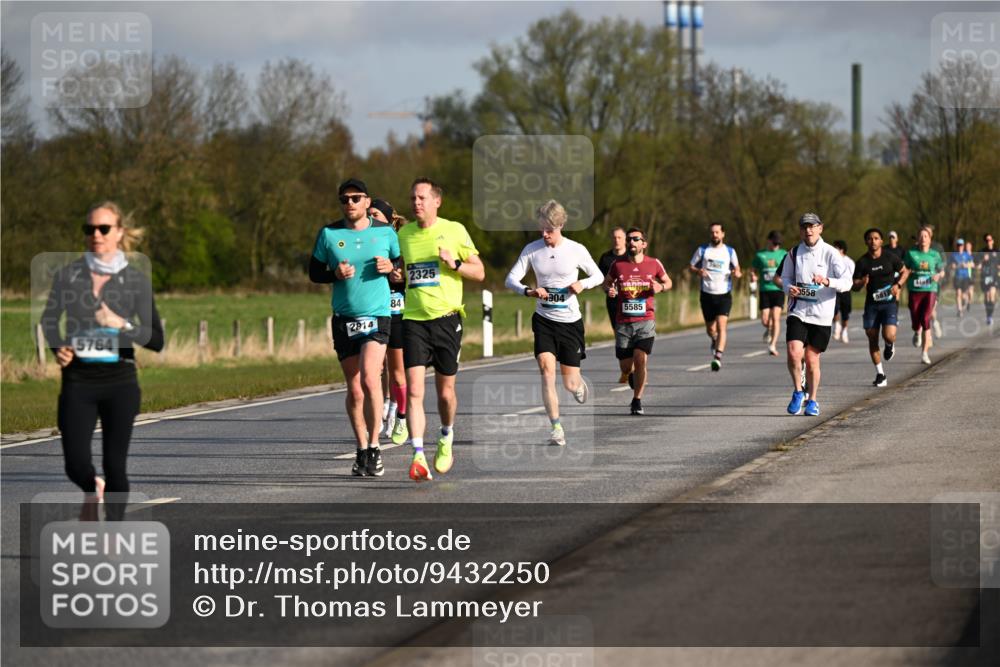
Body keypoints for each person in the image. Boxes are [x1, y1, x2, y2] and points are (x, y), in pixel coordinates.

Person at [41, 201, 164, 521]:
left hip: (120, 382)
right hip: (78, 380)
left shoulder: (135, 281)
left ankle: (113, 532)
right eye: (90, 229)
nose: (96, 234)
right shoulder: (69, 276)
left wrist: (120, 323)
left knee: (115, 465)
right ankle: (92, 487)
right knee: (75, 463)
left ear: (119, 232)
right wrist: (57, 346)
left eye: (104, 228)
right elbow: (49, 320)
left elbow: (156, 339)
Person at [396, 178, 485, 482]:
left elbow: (480, 272)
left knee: (445, 394)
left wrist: (455, 263)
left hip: (447, 320)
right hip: (413, 320)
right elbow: (402, 271)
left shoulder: (455, 230)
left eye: (422, 198)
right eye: (413, 198)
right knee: (414, 391)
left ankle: (446, 434)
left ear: (437, 201)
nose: (416, 203)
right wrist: (395, 274)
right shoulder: (404, 235)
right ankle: (418, 454)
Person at [310, 179, 400, 477]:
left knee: (371, 379)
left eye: (356, 198)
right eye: (344, 199)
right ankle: (361, 448)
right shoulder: (329, 234)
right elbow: (314, 272)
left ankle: (375, 447)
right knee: (355, 388)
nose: (350, 203)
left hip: (377, 315)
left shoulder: (384, 232)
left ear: (367, 201)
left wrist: (392, 269)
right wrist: (334, 274)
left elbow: (400, 268)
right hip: (344, 318)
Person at [505, 200, 602, 444]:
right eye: (541, 229)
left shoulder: (576, 249)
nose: (544, 234)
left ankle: (577, 385)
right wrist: (528, 291)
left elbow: (598, 275)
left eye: (548, 230)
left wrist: (582, 284)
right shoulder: (532, 249)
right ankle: (556, 427)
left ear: (560, 226)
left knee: (569, 383)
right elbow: (511, 279)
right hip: (544, 320)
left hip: (570, 322)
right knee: (546, 369)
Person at [780, 212, 852, 416]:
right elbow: (784, 278)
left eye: (812, 226)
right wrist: (789, 288)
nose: (808, 230)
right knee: (794, 352)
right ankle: (798, 391)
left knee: (812, 360)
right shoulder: (794, 253)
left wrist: (828, 281)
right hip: (798, 311)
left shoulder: (831, 253)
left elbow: (847, 282)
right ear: (800, 230)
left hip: (822, 315)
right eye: (805, 227)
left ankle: (812, 400)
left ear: (820, 228)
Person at [604, 228, 672, 415]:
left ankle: (637, 400)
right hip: (623, 323)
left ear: (644, 244)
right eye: (629, 239)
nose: (631, 242)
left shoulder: (654, 263)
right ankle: (632, 374)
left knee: (640, 358)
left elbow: (668, 282)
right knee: (626, 366)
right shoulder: (618, 264)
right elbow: (607, 282)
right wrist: (609, 290)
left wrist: (661, 287)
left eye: (636, 239)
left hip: (645, 321)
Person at [369, 198, 410, 445]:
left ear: (388, 218)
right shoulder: (367, 239)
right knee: (376, 366)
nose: (370, 218)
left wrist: (401, 277)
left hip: (399, 310)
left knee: (397, 370)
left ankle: (397, 411)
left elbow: (415, 273)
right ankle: (382, 407)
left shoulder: (403, 240)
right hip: (376, 310)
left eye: (375, 214)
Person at [852, 228, 909, 387]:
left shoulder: (890, 257)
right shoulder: (862, 262)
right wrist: (861, 282)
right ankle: (880, 374)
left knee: (889, 335)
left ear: (881, 241)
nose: (873, 241)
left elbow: (905, 272)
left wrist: (898, 285)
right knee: (872, 337)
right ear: (866, 242)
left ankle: (889, 345)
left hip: (889, 303)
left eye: (876, 238)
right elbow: (854, 286)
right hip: (871, 305)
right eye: (870, 238)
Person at [689, 223, 741, 371]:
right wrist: (698, 271)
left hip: (724, 294)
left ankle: (718, 357)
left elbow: (737, 269)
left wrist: (737, 273)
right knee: (711, 329)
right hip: (707, 294)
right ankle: (714, 339)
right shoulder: (702, 250)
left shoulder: (730, 251)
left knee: (721, 326)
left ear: (723, 234)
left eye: (717, 232)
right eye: (712, 232)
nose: (715, 235)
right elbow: (691, 266)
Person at [903, 226, 946, 365]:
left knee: (926, 318)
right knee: (916, 319)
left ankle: (925, 353)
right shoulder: (911, 253)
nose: (923, 238)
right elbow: (905, 269)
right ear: (918, 238)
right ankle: (917, 331)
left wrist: (938, 275)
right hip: (914, 290)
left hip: (930, 290)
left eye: (926, 236)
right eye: (921, 236)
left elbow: (942, 270)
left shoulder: (935, 255)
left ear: (930, 239)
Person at [598, 227, 629, 383]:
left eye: (619, 237)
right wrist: (607, 289)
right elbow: (601, 281)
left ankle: (637, 368)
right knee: (619, 335)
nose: (617, 240)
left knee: (635, 334)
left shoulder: (631, 256)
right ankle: (625, 371)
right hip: (613, 302)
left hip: (631, 301)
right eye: (614, 237)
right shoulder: (605, 258)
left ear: (625, 239)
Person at [750, 231, 787, 356]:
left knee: (776, 317)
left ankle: (772, 345)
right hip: (764, 290)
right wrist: (753, 276)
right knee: (765, 320)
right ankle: (769, 328)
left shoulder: (783, 254)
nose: (776, 246)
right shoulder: (760, 255)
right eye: (774, 243)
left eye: (778, 244)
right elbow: (753, 270)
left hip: (778, 290)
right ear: (769, 240)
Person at [831, 240, 855, 343]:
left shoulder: (849, 262)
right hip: (834, 290)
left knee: (845, 314)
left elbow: (850, 277)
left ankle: (844, 330)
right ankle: (837, 326)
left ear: (842, 250)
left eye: (836, 248)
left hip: (845, 291)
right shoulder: (831, 260)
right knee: (834, 309)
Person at [948, 238, 974, 318]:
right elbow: (949, 265)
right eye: (958, 245)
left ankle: (966, 301)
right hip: (957, 277)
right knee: (958, 293)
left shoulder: (967, 255)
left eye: (961, 245)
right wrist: (952, 266)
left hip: (965, 277)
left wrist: (966, 265)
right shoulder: (953, 255)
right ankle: (959, 310)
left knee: (963, 295)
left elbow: (972, 264)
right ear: (956, 246)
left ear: (963, 246)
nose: (960, 247)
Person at [978, 233, 997, 326]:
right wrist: (983, 260)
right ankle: (988, 314)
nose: (988, 241)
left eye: (990, 240)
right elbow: (977, 264)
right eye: (986, 240)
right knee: (987, 297)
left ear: (993, 241)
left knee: (992, 295)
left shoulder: (997, 251)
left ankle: (990, 316)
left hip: (994, 276)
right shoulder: (982, 252)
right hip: (985, 277)